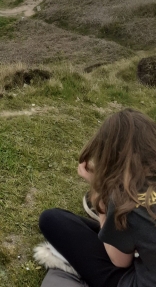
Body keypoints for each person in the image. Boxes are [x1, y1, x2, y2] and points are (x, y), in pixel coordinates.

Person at [38, 108, 156, 287]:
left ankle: (112, 228)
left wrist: (100, 191)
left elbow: (118, 261)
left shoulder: (125, 196)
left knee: (51, 219)